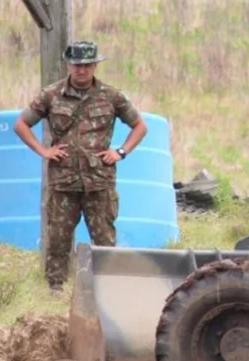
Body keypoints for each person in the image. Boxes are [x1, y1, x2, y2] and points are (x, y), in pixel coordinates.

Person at [13, 40, 148, 291]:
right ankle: (55, 289)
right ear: (69, 64)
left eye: (86, 65)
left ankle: (107, 288)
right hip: (64, 181)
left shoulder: (111, 96)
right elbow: (21, 125)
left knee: (104, 239)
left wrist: (120, 151)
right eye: (76, 65)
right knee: (58, 238)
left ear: (95, 65)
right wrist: (44, 151)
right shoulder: (51, 95)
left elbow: (140, 126)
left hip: (99, 180)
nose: (81, 70)